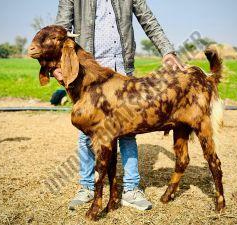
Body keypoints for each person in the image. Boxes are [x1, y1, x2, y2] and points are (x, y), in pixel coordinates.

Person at [54, 0, 186, 211]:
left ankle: (131, 189)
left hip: (122, 68)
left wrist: (167, 51)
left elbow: (148, 20)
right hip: (88, 72)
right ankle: (87, 187)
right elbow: (59, 31)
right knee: (87, 132)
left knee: (127, 130)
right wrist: (56, 66)